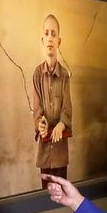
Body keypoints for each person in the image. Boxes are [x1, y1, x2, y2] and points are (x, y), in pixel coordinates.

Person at [32, 13, 73, 179]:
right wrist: (40, 123)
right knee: (45, 197)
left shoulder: (65, 76)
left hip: (60, 153)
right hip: (44, 153)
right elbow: (37, 109)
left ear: (59, 42)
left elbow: (68, 108)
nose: (50, 38)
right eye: (47, 33)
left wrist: (62, 124)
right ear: (42, 40)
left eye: (54, 34)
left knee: (62, 197)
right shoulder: (36, 74)